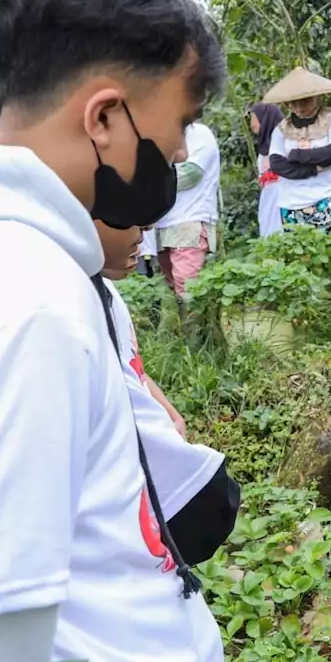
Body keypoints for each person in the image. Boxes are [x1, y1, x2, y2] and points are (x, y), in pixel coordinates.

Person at [0, 0, 226, 662]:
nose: (178, 154)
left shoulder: (47, 274)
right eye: (179, 126)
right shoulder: (24, 306)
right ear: (104, 118)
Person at [97, 222, 239, 565]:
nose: (143, 235)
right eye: (126, 217)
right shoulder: (73, 302)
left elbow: (127, 362)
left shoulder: (106, 291)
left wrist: (166, 408)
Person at [264, 67, 331, 247]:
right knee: (305, 260)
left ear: (317, 97)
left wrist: (295, 155)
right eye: (293, 103)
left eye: (304, 101)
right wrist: (313, 168)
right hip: (293, 202)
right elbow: (277, 164)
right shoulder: (281, 130)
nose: (299, 108)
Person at [155, 121, 220, 298]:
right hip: (162, 221)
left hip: (189, 220)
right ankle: (182, 324)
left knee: (188, 284)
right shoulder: (160, 131)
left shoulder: (198, 133)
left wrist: (146, 184)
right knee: (171, 285)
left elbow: (191, 174)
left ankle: (194, 325)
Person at [250, 102, 286, 237]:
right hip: (268, 200)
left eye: (254, 117)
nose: (252, 123)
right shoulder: (263, 151)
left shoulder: (284, 142)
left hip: (284, 198)